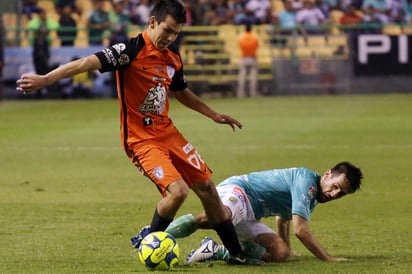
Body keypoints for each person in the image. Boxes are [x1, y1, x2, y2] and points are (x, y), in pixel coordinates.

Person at [16, 0, 248, 265]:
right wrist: (45, 79)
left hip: (168, 132)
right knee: (178, 192)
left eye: (176, 33)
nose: (170, 38)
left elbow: (181, 90)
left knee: (207, 189)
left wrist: (213, 114)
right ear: (152, 22)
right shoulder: (129, 51)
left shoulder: (172, 57)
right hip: (141, 140)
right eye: (168, 30)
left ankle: (236, 253)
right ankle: (150, 238)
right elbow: (85, 63)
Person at [165, 162, 363, 264]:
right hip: (240, 192)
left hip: (251, 213)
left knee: (280, 253)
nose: (334, 194)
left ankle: (215, 250)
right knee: (215, 219)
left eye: (341, 194)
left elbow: (283, 218)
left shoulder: (312, 198)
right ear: (327, 173)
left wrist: (287, 247)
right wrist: (326, 258)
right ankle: (158, 235)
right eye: (335, 186)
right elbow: (300, 229)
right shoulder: (306, 182)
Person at [237, 23, 259, 98]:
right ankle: (253, 93)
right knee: (253, 77)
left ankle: (241, 94)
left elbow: (240, 45)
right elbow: (256, 46)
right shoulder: (254, 38)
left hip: (244, 57)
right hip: (252, 57)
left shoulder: (242, 38)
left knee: (242, 76)